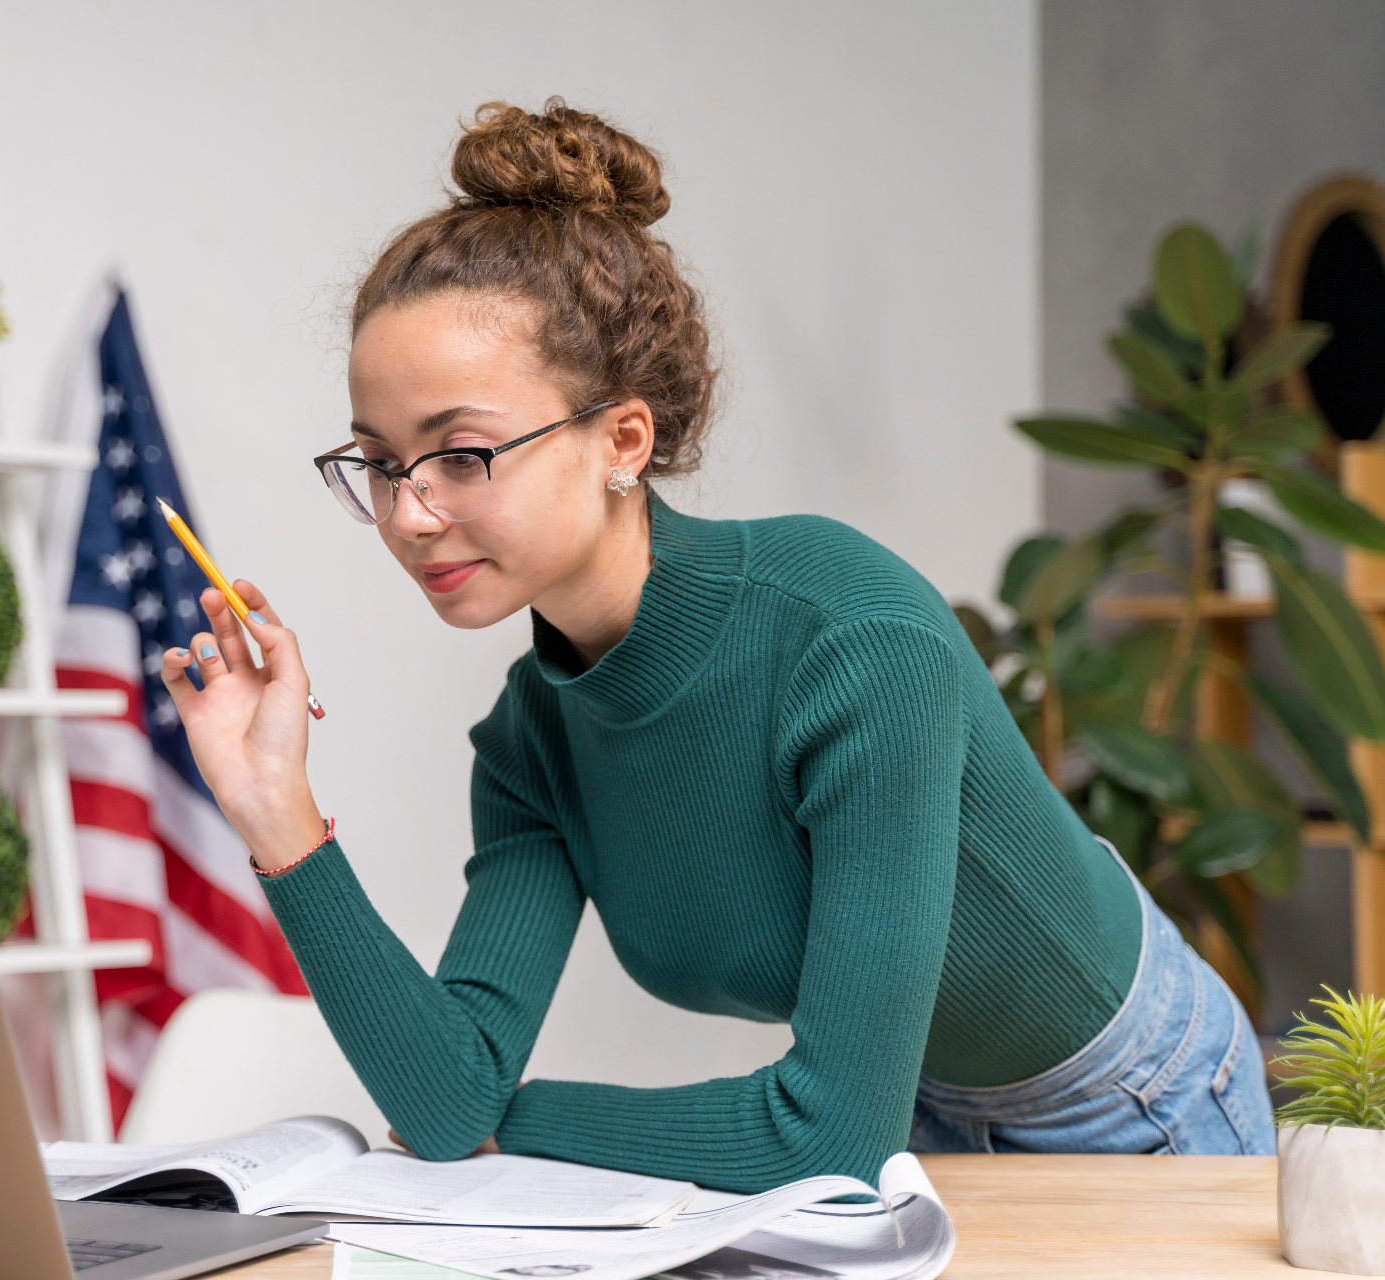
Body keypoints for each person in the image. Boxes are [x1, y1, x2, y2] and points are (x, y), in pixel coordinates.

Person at [158, 98, 1276, 1192]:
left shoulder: (851, 637)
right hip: (922, 1108)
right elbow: (450, 1099)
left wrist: (520, 1120)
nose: (409, 512)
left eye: (462, 453)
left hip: (1130, 1101)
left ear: (622, 440)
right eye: (383, 462)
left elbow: (826, 1132)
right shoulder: (530, 740)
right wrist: (276, 810)